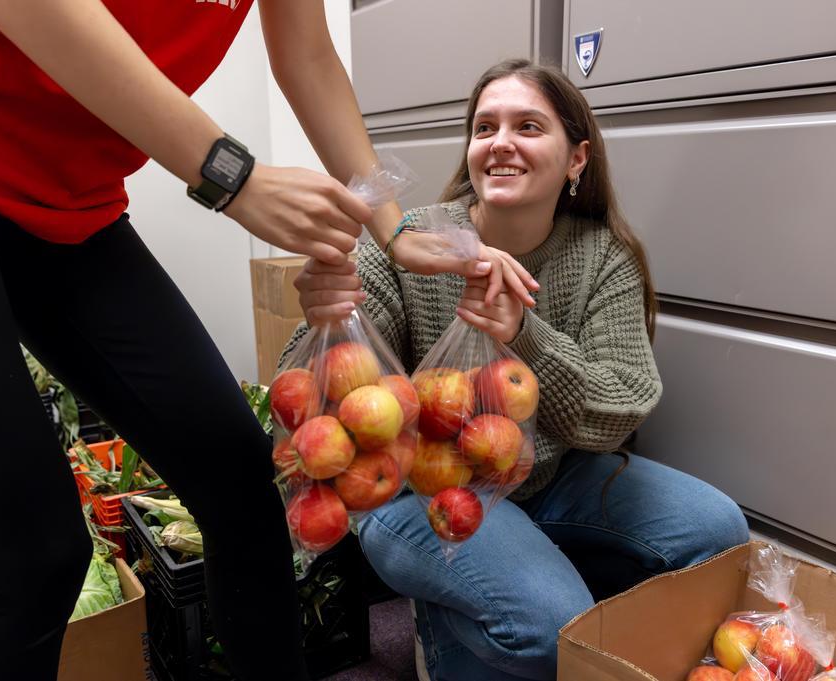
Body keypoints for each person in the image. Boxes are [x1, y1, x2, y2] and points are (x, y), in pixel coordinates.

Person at [0, 2, 536, 680]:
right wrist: (230, 174)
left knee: (243, 489)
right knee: (33, 555)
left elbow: (306, 53)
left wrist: (391, 229)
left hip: (71, 206)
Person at [291, 59, 750, 681]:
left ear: (576, 159)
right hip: (422, 491)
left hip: (547, 476)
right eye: (485, 128)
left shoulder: (602, 258)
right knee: (553, 634)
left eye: (528, 126)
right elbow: (330, 398)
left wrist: (521, 334)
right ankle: (453, 625)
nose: (501, 143)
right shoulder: (414, 241)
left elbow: (620, 408)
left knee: (717, 531)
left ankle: (512, 584)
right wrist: (328, 312)